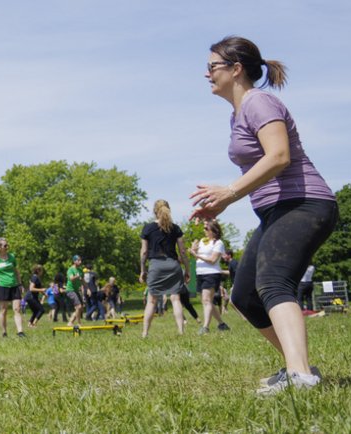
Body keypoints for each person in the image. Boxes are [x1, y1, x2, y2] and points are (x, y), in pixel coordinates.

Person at [190, 36, 338, 395]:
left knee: (273, 283)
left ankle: (301, 376)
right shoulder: (237, 114)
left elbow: (279, 156)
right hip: (275, 210)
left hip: (304, 203)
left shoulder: (259, 101)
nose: (206, 73)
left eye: (212, 66)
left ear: (236, 69)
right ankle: (296, 367)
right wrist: (225, 201)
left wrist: (230, 192)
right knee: (244, 295)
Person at [139, 200, 190, 337]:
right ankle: (181, 331)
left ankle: (145, 333)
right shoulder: (175, 228)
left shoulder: (148, 228)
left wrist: (143, 270)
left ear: (155, 211)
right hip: (173, 265)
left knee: (152, 301)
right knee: (175, 299)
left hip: (156, 265)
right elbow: (183, 252)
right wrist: (187, 269)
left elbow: (144, 252)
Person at [190, 221, 231, 333]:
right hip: (200, 273)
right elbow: (195, 255)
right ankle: (222, 324)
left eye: (206, 228)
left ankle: (205, 327)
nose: (204, 230)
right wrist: (193, 249)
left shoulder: (218, 243)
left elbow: (213, 260)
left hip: (212, 274)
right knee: (207, 301)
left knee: (206, 300)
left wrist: (197, 255)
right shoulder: (203, 241)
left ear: (213, 230)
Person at [64, 256, 85, 328]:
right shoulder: (70, 270)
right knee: (78, 306)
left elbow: (82, 281)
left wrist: (87, 289)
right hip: (70, 290)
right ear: (74, 261)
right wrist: (76, 276)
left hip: (76, 291)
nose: (80, 262)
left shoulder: (80, 270)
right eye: (78, 260)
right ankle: (79, 323)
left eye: (80, 260)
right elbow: (71, 278)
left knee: (81, 308)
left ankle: (70, 322)